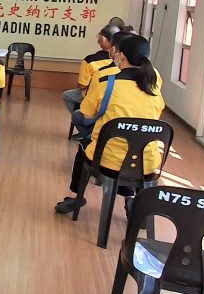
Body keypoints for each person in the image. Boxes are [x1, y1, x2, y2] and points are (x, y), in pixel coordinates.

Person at [54, 33, 166, 215]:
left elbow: (87, 113)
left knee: (85, 146)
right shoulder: (154, 80)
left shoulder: (105, 79)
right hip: (148, 162)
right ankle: (133, 202)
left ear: (120, 55)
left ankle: (76, 197)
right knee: (133, 146)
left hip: (107, 158)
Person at [67, 25, 131, 139]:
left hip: (104, 114)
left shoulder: (97, 68)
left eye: (99, 37)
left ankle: (89, 134)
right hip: (132, 125)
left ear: (114, 49)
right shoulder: (153, 75)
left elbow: (83, 86)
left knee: (76, 110)